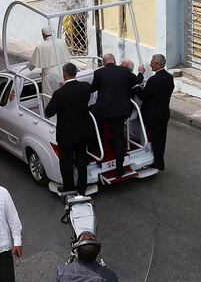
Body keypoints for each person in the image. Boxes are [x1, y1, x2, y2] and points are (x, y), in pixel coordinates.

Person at [90, 53, 145, 177]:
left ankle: (97, 150)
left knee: (97, 128)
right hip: (120, 110)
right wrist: (141, 72)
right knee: (118, 138)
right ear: (114, 61)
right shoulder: (124, 71)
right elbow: (138, 80)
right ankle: (119, 169)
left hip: (103, 110)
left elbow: (92, 89)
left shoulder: (99, 73)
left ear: (104, 63)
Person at [45, 63, 92, 195]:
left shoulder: (59, 93)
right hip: (82, 130)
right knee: (82, 159)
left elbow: (48, 112)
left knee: (66, 162)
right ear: (76, 73)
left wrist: (61, 92)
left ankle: (69, 188)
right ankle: (82, 188)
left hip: (66, 133)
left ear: (64, 75)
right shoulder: (85, 87)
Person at [138, 54, 175, 171]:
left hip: (153, 116)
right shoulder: (169, 77)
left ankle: (157, 162)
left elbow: (143, 96)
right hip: (164, 113)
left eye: (152, 62)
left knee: (155, 139)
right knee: (162, 139)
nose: (150, 64)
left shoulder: (153, 80)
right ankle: (160, 160)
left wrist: (138, 88)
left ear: (158, 64)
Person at [28, 25, 71, 95]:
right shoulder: (62, 42)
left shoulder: (40, 47)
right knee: (64, 94)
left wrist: (29, 67)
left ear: (43, 35)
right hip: (63, 72)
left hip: (49, 75)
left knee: (50, 96)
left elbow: (32, 64)